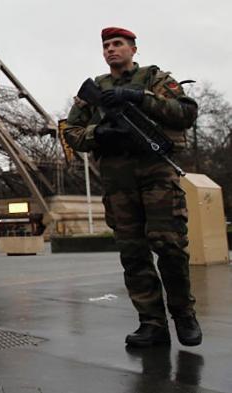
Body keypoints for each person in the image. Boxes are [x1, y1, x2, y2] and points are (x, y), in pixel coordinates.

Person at [64, 26, 201, 348]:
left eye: (118, 44)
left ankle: (183, 313)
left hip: (156, 175)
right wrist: (99, 135)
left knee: (169, 246)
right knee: (133, 254)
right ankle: (151, 323)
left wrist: (140, 98)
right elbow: (71, 131)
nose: (111, 50)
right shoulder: (95, 89)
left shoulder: (155, 79)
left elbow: (186, 113)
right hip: (117, 181)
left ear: (133, 49)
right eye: (107, 45)